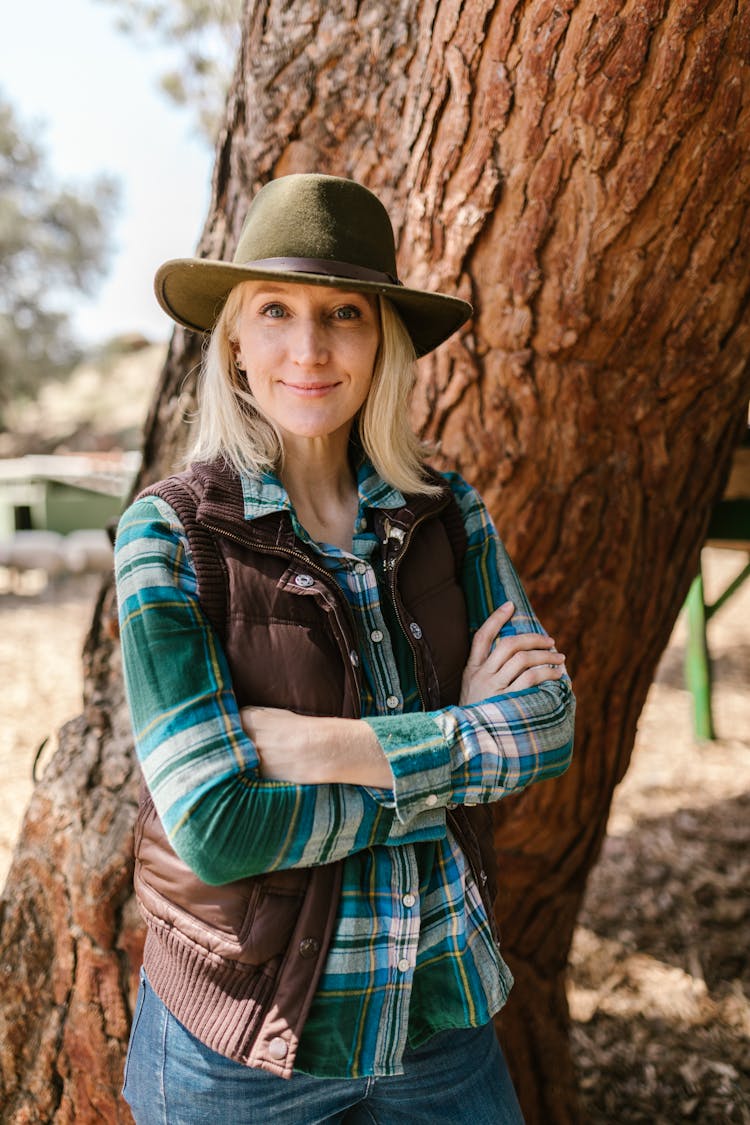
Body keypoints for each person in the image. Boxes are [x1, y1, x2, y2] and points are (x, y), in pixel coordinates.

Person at [115, 173, 575, 1125]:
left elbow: (546, 726)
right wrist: (454, 750)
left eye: (344, 314)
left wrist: (317, 747)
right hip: (242, 1042)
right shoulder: (169, 533)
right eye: (275, 310)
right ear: (235, 340)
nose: (310, 348)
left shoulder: (448, 514)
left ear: (383, 342)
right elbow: (213, 824)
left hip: (438, 1008)